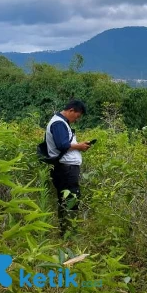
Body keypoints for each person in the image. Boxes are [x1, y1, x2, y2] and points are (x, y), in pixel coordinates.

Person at [45, 100, 92, 236]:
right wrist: (79, 146)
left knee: (67, 198)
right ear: (71, 110)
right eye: (77, 116)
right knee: (70, 198)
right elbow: (61, 144)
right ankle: (68, 232)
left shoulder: (61, 122)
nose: (76, 120)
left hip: (66, 168)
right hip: (65, 169)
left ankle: (66, 231)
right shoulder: (59, 123)